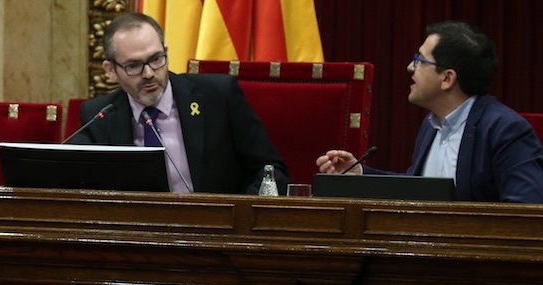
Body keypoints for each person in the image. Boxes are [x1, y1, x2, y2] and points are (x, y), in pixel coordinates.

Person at [317, 21, 543, 203]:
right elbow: (420, 188)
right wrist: (360, 175)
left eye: (419, 60)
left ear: (447, 78)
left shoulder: (504, 129)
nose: (409, 67)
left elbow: (526, 210)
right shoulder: (431, 125)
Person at [71, 12, 290, 195]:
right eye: (133, 66)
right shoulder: (99, 116)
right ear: (110, 70)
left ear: (166, 52)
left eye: (156, 59)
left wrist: (235, 217)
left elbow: (270, 171)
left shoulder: (218, 97)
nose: (148, 73)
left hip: (216, 235)